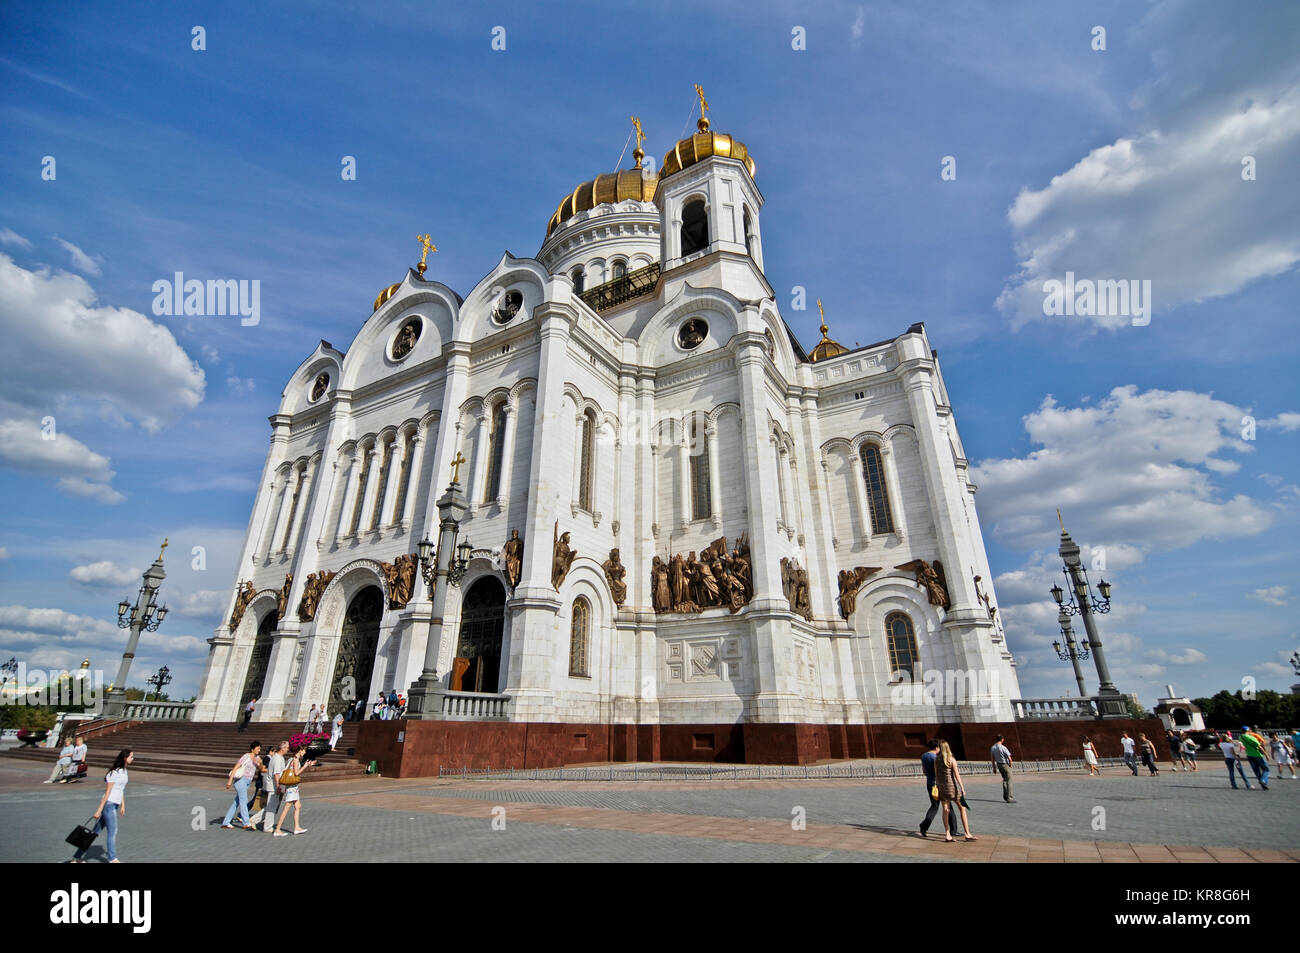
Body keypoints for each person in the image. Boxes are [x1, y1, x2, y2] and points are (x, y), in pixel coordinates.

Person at [71, 749, 132, 863]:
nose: (132, 759)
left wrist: (123, 805)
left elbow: (121, 789)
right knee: (112, 832)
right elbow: (108, 792)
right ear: (125, 758)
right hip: (109, 804)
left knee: (94, 833)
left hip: (115, 805)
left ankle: (76, 857)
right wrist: (99, 810)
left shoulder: (124, 771)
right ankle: (113, 859)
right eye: (131, 757)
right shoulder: (113, 773)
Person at [918, 739, 962, 838]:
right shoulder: (936, 757)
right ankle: (953, 830)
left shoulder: (924, 756)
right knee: (948, 807)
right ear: (937, 747)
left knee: (934, 806)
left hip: (930, 784)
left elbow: (924, 771)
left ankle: (924, 826)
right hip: (939, 784)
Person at [273, 743, 318, 836]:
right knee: (287, 807)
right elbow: (296, 773)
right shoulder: (296, 759)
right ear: (300, 750)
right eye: (304, 750)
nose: (304, 752)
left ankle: (297, 827)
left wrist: (307, 765)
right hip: (292, 787)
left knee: (298, 806)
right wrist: (305, 766)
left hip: (293, 787)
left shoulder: (291, 759)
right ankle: (277, 829)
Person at [934, 740, 975, 842]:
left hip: (941, 787)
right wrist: (962, 788)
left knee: (945, 810)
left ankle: (947, 834)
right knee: (962, 808)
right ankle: (967, 833)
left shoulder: (936, 760)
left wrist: (938, 786)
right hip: (952, 787)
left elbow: (936, 775)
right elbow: (957, 775)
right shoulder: (951, 760)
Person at [221, 741, 262, 830]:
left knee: (237, 802)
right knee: (244, 800)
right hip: (240, 780)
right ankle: (246, 823)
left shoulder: (257, 758)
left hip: (248, 782)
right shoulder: (246, 756)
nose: (259, 750)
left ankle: (226, 822)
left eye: (260, 748)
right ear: (252, 749)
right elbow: (236, 767)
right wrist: (229, 781)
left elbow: (261, 768)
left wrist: (260, 763)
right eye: (257, 748)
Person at [260, 741, 289, 833]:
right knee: (272, 806)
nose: (288, 749)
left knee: (272, 805)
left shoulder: (278, 757)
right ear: (282, 748)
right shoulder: (277, 759)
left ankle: (255, 820)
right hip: (273, 785)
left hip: (274, 784)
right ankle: (267, 826)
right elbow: (276, 774)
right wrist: (278, 786)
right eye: (287, 748)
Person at [1239, 725, 1269, 790]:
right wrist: (1266, 754)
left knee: (1256, 770)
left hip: (1249, 755)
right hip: (1257, 755)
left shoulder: (1240, 737)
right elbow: (1259, 747)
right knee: (1266, 769)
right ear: (1247, 730)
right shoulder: (1251, 737)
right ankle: (1263, 780)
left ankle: (1263, 784)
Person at [990, 735, 1015, 803]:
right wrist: (1010, 765)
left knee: (1005, 780)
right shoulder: (1003, 747)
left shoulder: (993, 747)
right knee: (1009, 781)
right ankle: (1009, 798)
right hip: (1005, 765)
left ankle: (1005, 796)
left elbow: (992, 759)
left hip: (999, 765)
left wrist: (994, 768)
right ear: (1002, 739)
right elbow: (1010, 759)